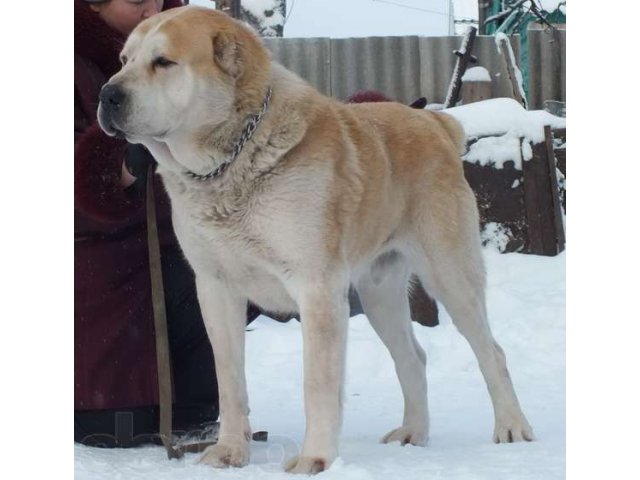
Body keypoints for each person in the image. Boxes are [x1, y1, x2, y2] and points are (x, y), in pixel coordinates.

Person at [74, 0, 259, 447]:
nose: (151, 9)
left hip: (183, 253)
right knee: (119, 420)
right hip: (102, 292)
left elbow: (253, 126)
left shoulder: (196, 47)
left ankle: (194, 404)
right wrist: (116, 163)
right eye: (137, 1)